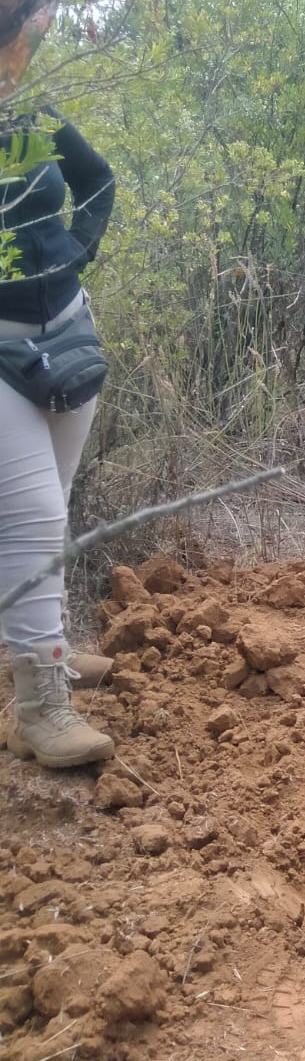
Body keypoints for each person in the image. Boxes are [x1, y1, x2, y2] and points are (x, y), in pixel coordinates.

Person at [0, 109, 116, 767]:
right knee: (33, 517)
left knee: (52, 499)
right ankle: (40, 707)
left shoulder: (27, 113)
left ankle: (50, 648)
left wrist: (79, 246)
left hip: (66, 327)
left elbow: (95, 177)